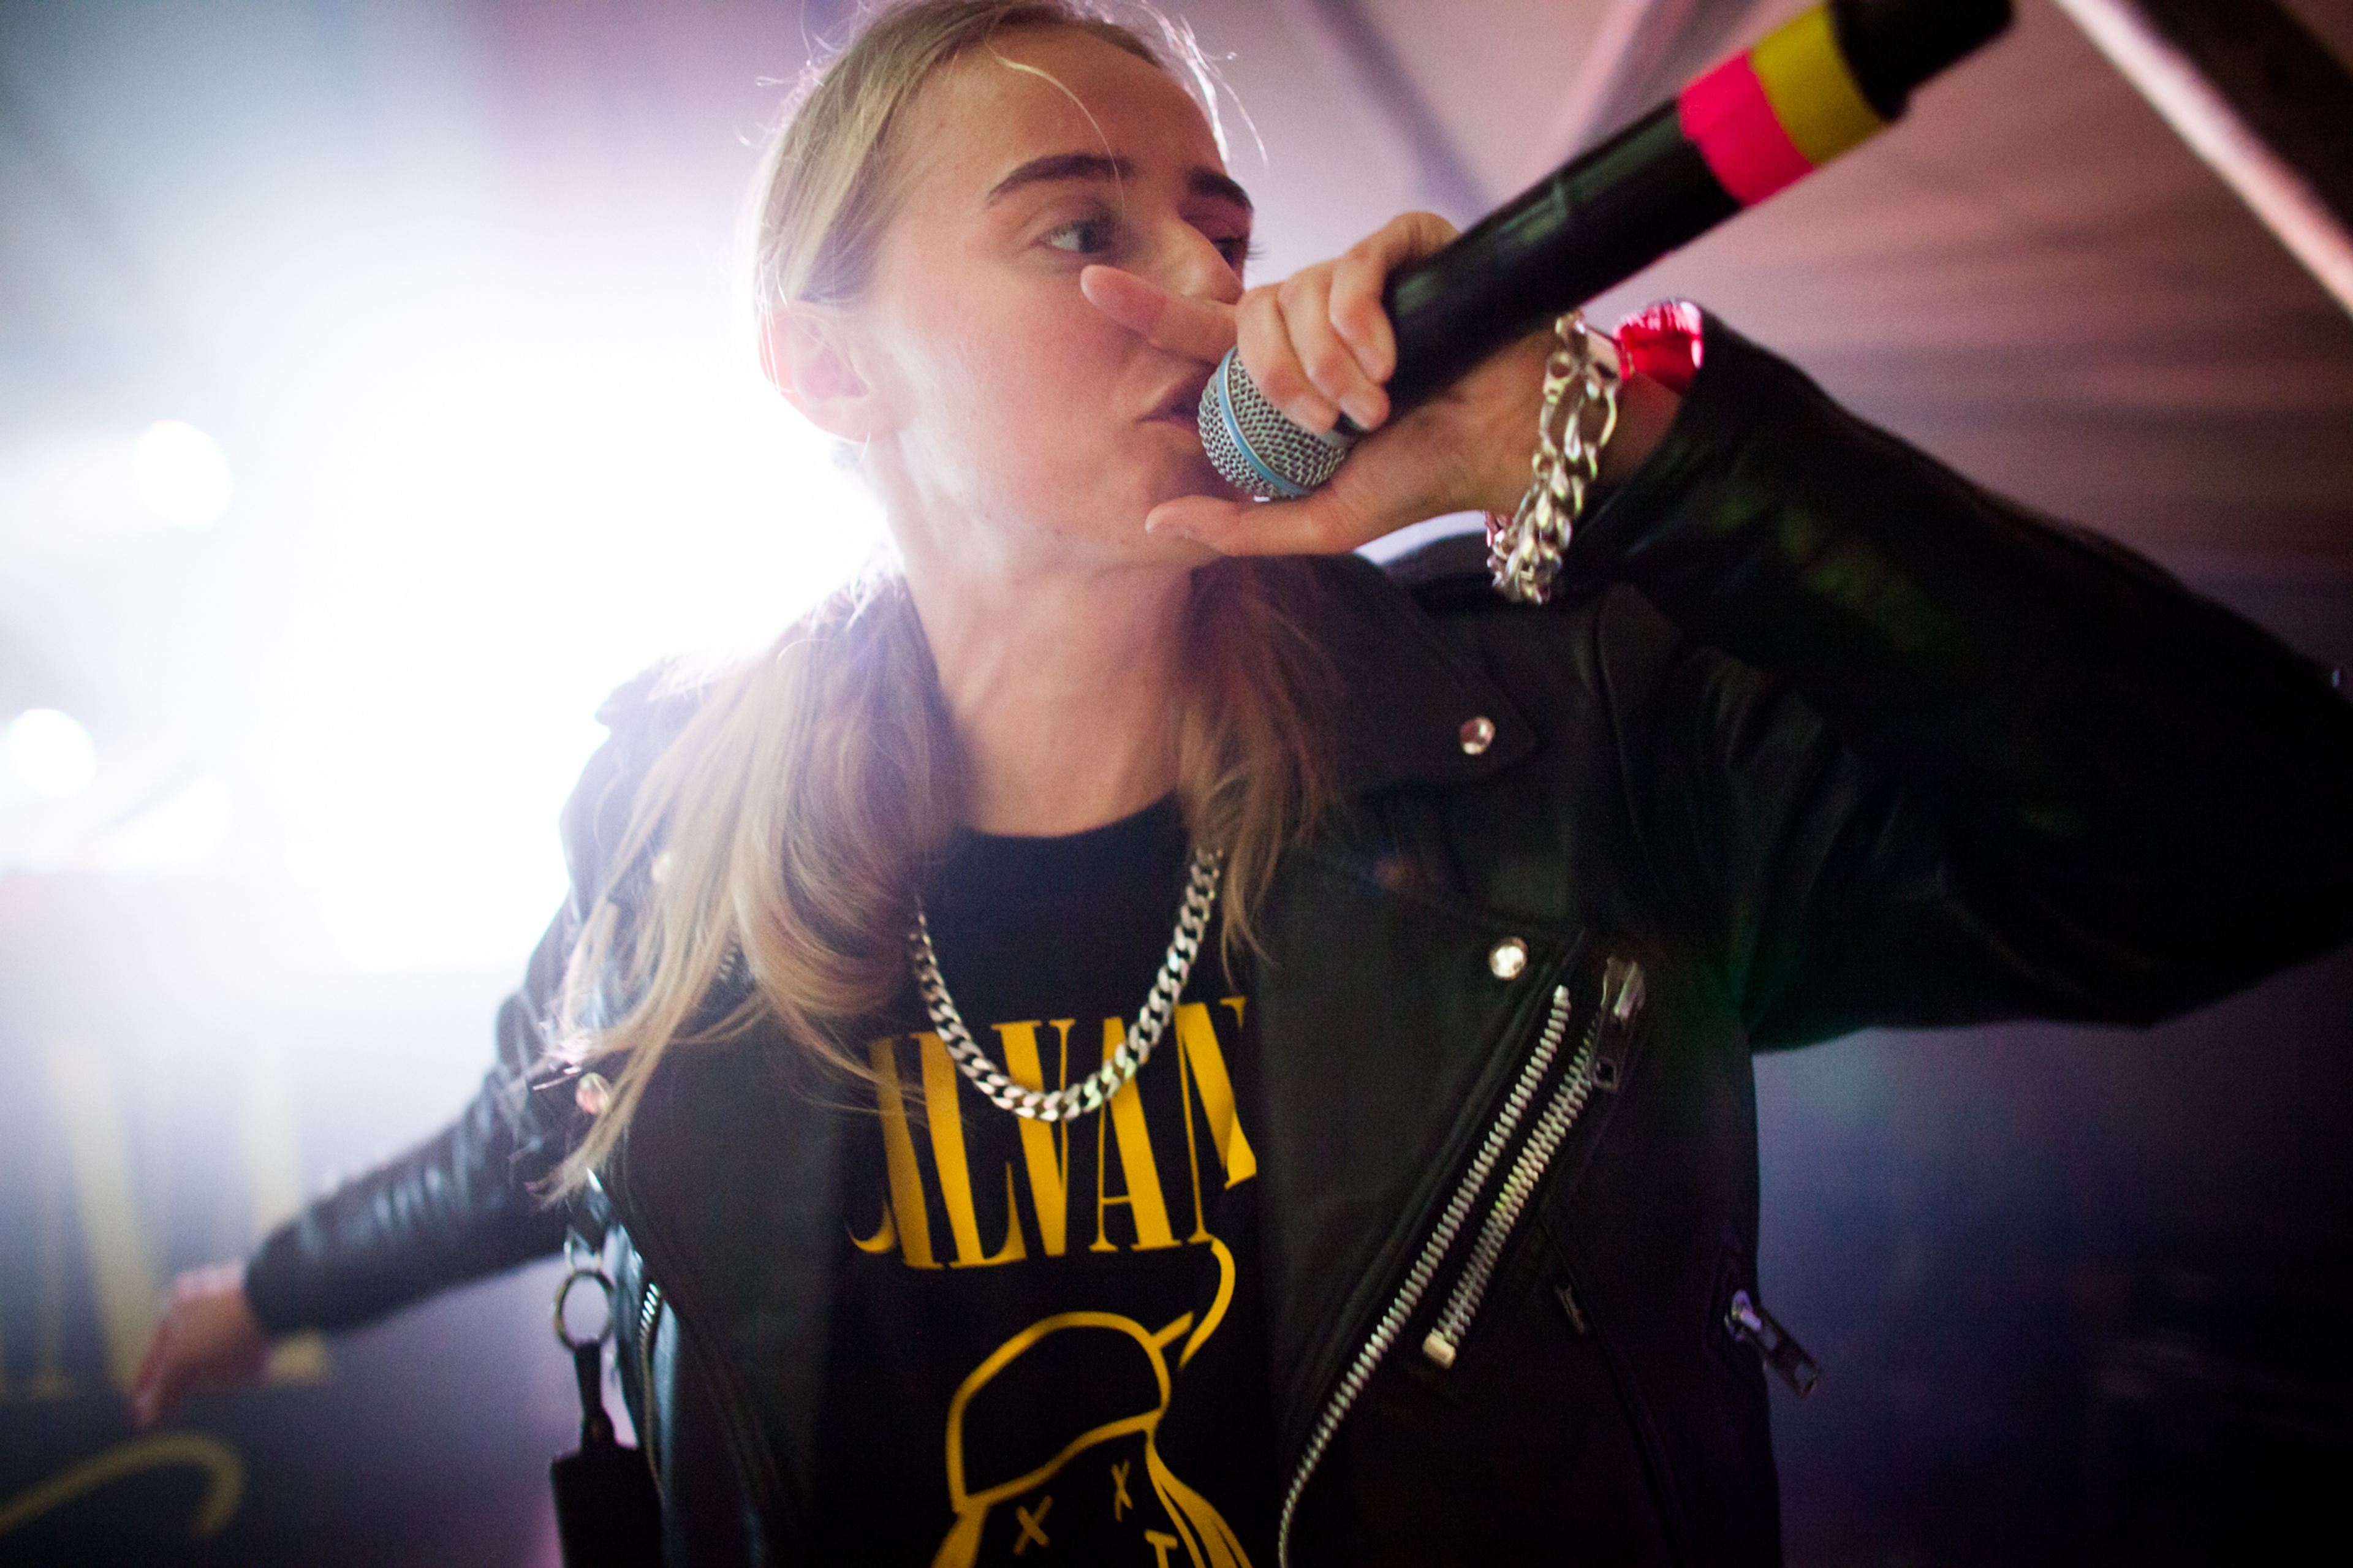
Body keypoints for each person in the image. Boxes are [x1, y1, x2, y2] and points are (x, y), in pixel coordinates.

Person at [129, 3, 2353, 1564]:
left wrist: (1630, 448)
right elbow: (523, 1142)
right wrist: (263, 1295)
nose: (1206, 285)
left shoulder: (1550, 740)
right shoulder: (676, 829)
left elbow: (2240, 849)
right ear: (826, 363)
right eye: (1081, 231)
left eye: (1220, 218)